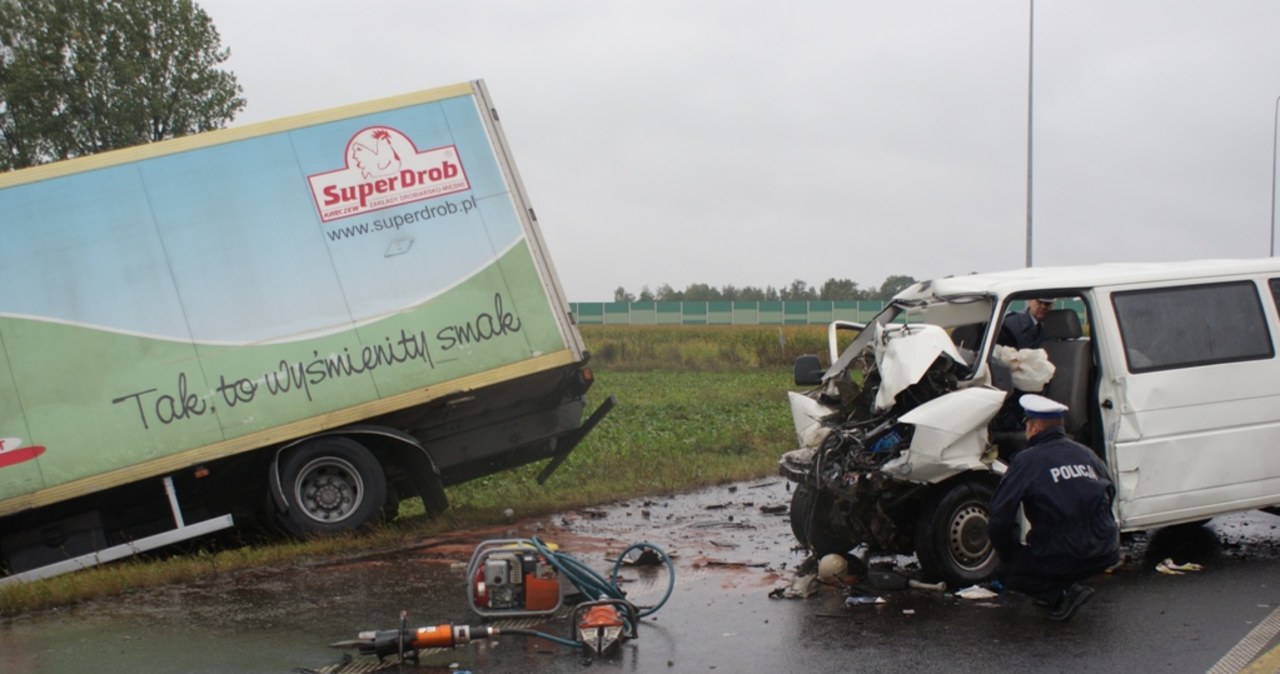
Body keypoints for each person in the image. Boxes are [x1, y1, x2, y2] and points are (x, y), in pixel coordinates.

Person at [987, 394, 1119, 622]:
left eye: (1027, 424)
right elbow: (1111, 492)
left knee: (1006, 572)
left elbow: (999, 518)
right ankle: (1057, 585)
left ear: (1035, 428)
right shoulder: (1087, 453)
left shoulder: (1027, 460)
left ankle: (1061, 594)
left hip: (1062, 556)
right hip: (1106, 551)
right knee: (1057, 551)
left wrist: (1008, 554)